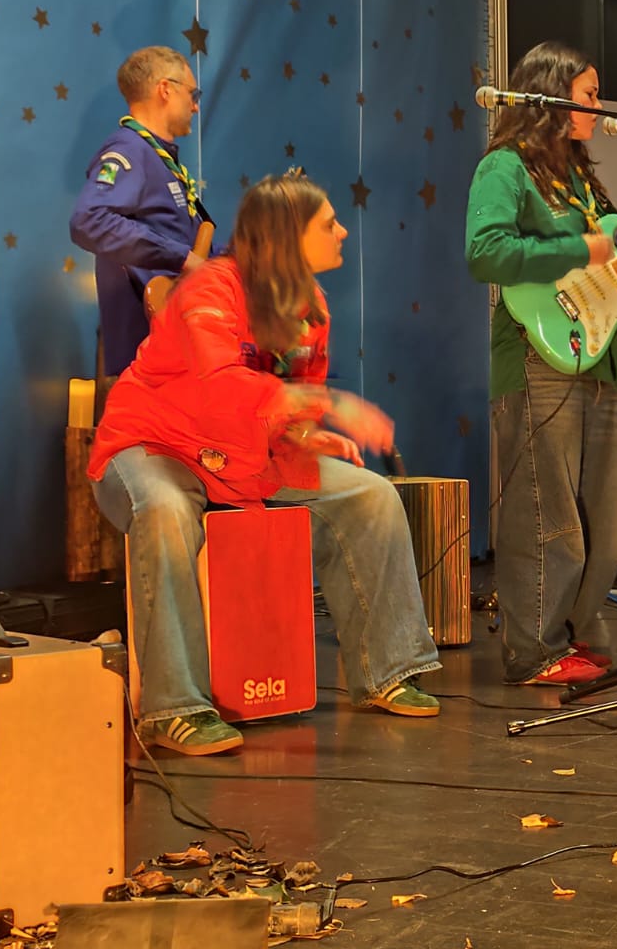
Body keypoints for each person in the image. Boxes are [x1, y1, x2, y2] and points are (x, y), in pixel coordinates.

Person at [89, 173, 442, 756]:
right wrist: (331, 407)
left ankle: (389, 670)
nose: (343, 231)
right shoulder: (210, 289)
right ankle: (173, 709)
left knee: (370, 496)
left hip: (245, 459)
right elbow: (222, 385)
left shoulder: (312, 306)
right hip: (154, 446)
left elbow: (287, 402)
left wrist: (307, 435)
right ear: (283, 235)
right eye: (328, 223)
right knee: (165, 512)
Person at [465, 41, 617, 685]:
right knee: (545, 512)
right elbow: (486, 252)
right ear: (550, 94)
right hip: (537, 353)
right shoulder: (506, 168)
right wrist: (579, 249)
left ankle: (565, 634)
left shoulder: (581, 179)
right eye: (590, 94)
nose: (600, 106)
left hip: (603, 362)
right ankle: (533, 651)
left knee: (609, 522)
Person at [72, 46, 212, 376]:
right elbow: (88, 220)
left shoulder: (159, 159)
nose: (195, 106)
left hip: (173, 348)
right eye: (193, 94)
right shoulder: (129, 150)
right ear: (166, 89)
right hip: (144, 364)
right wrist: (182, 257)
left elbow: (184, 245)